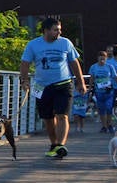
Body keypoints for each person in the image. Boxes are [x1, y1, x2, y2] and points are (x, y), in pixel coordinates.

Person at [19, 18, 87, 159]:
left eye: (60, 29)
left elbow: (74, 63)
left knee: (62, 115)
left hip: (63, 83)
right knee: (48, 118)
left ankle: (60, 145)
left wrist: (81, 82)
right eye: (56, 29)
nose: (59, 32)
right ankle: (54, 143)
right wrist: (24, 81)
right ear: (46, 30)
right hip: (42, 86)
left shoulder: (65, 43)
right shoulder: (33, 45)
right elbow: (25, 63)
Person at [87, 49, 116, 131]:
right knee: (101, 109)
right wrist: (89, 88)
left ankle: (109, 124)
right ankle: (104, 126)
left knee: (109, 108)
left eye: (104, 58)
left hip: (108, 91)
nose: (102, 60)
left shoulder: (110, 67)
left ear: (106, 58)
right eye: (101, 58)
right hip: (99, 91)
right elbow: (92, 78)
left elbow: (115, 77)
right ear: (98, 58)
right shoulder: (93, 67)